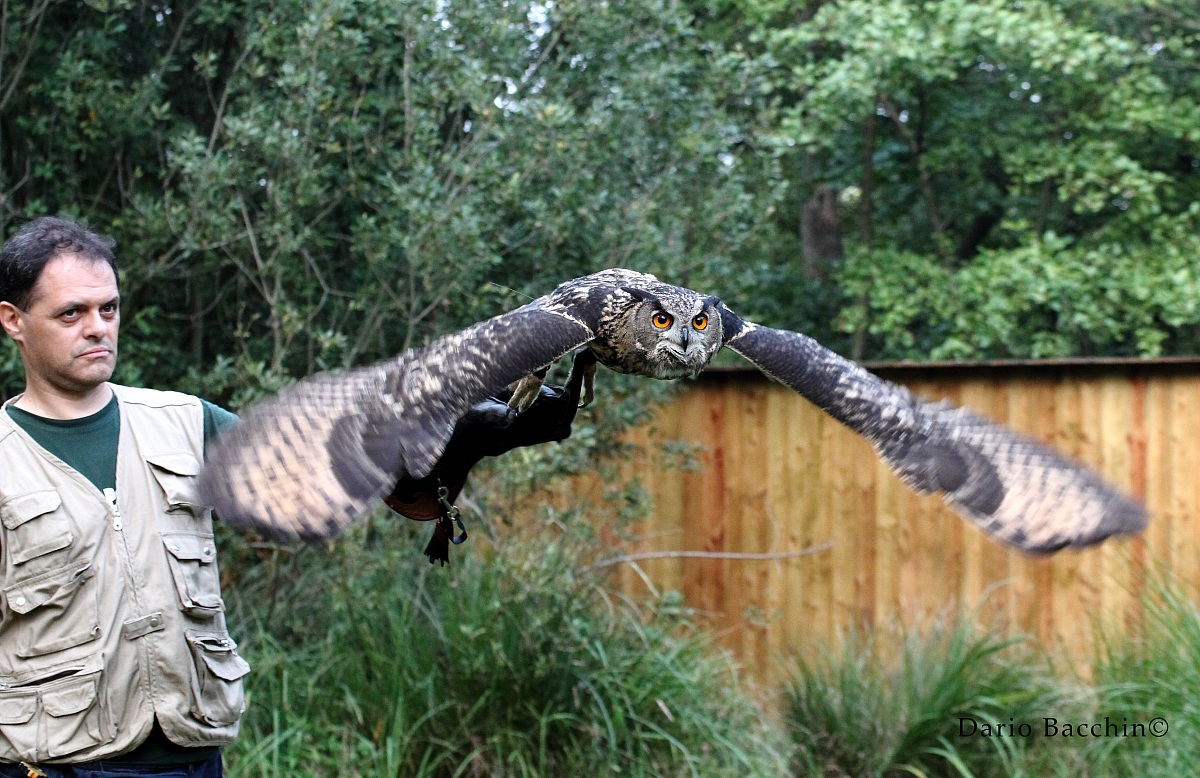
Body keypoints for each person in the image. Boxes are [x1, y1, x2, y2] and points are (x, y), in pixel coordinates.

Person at [0, 217, 247, 777]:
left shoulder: (187, 422)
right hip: (55, 765)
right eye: (72, 313)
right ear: (13, 320)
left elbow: (317, 465)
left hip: (193, 757)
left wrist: (420, 444)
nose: (98, 328)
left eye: (108, 309)